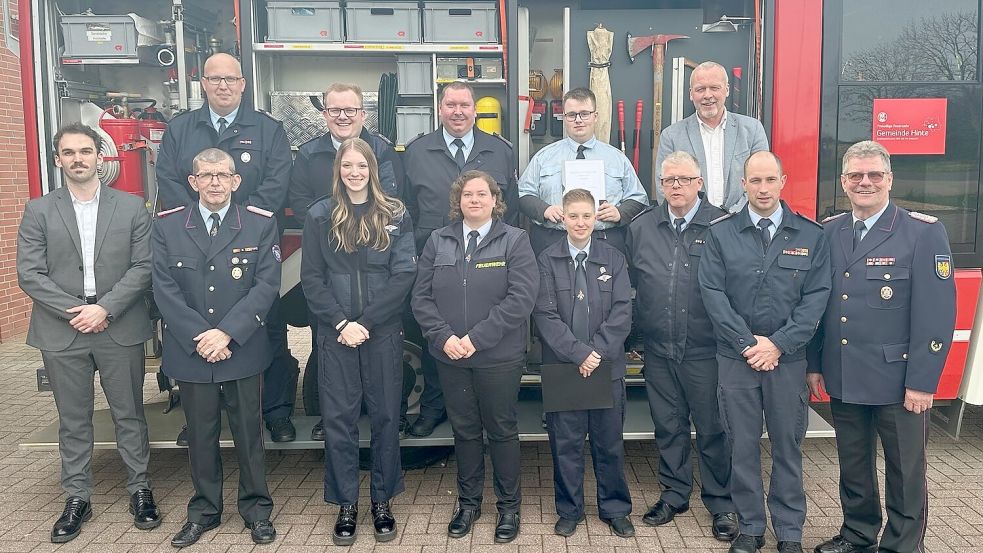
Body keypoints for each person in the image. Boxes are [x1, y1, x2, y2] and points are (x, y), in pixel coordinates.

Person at [808, 141, 956, 553]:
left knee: (905, 472)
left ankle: (902, 546)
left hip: (899, 380)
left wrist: (923, 382)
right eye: (856, 175)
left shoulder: (922, 232)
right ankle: (857, 536)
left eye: (874, 174)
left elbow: (937, 315)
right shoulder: (830, 230)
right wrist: (816, 363)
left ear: (890, 179)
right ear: (843, 182)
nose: (865, 182)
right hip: (845, 373)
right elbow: (822, 303)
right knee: (853, 467)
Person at [17, 123, 160, 543]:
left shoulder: (133, 208)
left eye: (85, 151)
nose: (78, 159)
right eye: (69, 153)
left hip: (118, 324)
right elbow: (30, 273)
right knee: (73, 420)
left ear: (101, 156)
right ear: (58, 159)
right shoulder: (38, 210)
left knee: (129, 414)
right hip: (63, 331)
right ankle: (77, 496)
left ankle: (140, 489)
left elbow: (144, 267)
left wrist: (105, 308)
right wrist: (76, 312)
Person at [155, 52, 298, 443]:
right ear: (202, 83)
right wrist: (196, 227)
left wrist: (243, 226)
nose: (223, 85)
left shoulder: (269, 130)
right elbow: (168, 179)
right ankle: (199, 416)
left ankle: (277, 410)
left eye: (230, 79)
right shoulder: (181, 129)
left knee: (267, 326)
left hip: (252, 245)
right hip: (193, 247)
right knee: (196, 328)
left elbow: (276, 182)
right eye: (215, 79)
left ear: (243, 84)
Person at [699, 151, 831, 553]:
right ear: (743, 184)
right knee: (741, 445)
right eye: (754, 181)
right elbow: (713, 294)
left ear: (783, 181)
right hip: (736, 359)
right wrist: (748, 344)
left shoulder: (811, 235)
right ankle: (751, 528)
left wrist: (778, 344)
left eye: (770, 180)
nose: (762, 188)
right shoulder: (721, 233)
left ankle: (789, 532)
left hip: (787, 361)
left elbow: (817, 298)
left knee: (787, 446)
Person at [152, 148, 280, 548]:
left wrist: (226, 333)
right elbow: (163, 289)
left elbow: (266, 286)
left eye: (222, 175)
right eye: (205, 175)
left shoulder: (259, 224)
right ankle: (204, 511)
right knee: (201, 436)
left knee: (248, 434)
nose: (214, 183)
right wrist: (201, 337)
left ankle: (257, 510)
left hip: (240, 346)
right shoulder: (168, 227)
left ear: (236, 181)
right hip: (192, 350)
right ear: (192, 182)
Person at [411, 170, 538, 543]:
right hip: (451, 355)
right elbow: (421, 297)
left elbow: (521, 299)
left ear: (495, 200)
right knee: (465, 431)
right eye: (468, 194)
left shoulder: (515, 240)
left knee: (501, 430)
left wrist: (477, 338)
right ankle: (468, 504)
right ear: (458, 201)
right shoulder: (439, 240)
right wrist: (443, 337)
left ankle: (508, 507)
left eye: (483, 194)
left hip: (498, 356)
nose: (475, 200)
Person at [300, 138, 416, 545]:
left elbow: (403, 275)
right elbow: (311, 278)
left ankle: (382, 500)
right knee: (339, 421)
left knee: (385, 416)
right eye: (347, 166)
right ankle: (346, 502)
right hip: (335, 335)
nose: (354, 173)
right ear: (338, 170)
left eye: (361, 166)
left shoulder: (395, 214)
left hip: (381, 332)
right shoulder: (320, 216)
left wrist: (365, 322)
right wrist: (340, 323)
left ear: (374, 169)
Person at [626, 151, 738, 541]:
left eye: (684, 179)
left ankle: (722, 503)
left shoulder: (724, 225)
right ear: (660, 184)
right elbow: (632, 289)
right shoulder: (641, 227)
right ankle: (674, 494)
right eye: (668, 180)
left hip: (706, 350)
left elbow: (735, 289)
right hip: (658, 350)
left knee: (712, 429)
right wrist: (634, 340)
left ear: (699, 182)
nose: (675, 186)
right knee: (668, 426)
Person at [290, 83, 406, 441]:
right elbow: (299, 198)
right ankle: (332, 415)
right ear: (324, 114)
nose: (342, 116)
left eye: (350, 110)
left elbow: (389, 198)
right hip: (329, 261)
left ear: (363, 114)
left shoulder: (384, 151)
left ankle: (388, 416)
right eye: (334, 110)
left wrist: (358, 225)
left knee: (382, 368)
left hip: (373, 260)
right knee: (327, 349)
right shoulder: (308, 154)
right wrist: (333, 223)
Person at [402, 81, 519, 438]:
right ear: (439, 109)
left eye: (464, 105)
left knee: (484, 332)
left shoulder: (499, 151)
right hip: (436, 259)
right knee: (438, 335)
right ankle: (436, 406)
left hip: (487, 259)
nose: (457, 111)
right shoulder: (417, 151)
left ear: (474, 109)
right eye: (450, 105)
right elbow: (406, 208)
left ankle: (484, 410)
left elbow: (509, 207)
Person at [533, 188, 634, 538]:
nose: (579, 222)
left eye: (586, 216)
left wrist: (597, 353)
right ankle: (569, 510)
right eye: (572, 215)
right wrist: (579, 353)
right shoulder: (546, 259)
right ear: (562, 218)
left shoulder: (614, 258)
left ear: (595, 218)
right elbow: (544, 314)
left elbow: (623, 311)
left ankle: (615, 508)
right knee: (566, 445)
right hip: (565, 368)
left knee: (609, 444)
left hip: (606, 367)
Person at [518, 87, 648, 256]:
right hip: (553, 242)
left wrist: (620, 212)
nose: (578, 120)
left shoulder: (617, 158)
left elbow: (638, 198)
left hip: (604, 241)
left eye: (584, 113)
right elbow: (522, 195)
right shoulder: (543, 157)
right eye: (571, 115)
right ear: (564, 118)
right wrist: (544, 209)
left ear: (595, 116)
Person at [655, 61, 769, 212]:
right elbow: (664, 187)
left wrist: (734, 217)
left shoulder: (752, 130)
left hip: (742, 225)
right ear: (691, 94)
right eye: (700, 89)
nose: (708, 95)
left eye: (714, 88)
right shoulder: (671, 136)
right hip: (691, 228)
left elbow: (763, 181)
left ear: (727, 90)